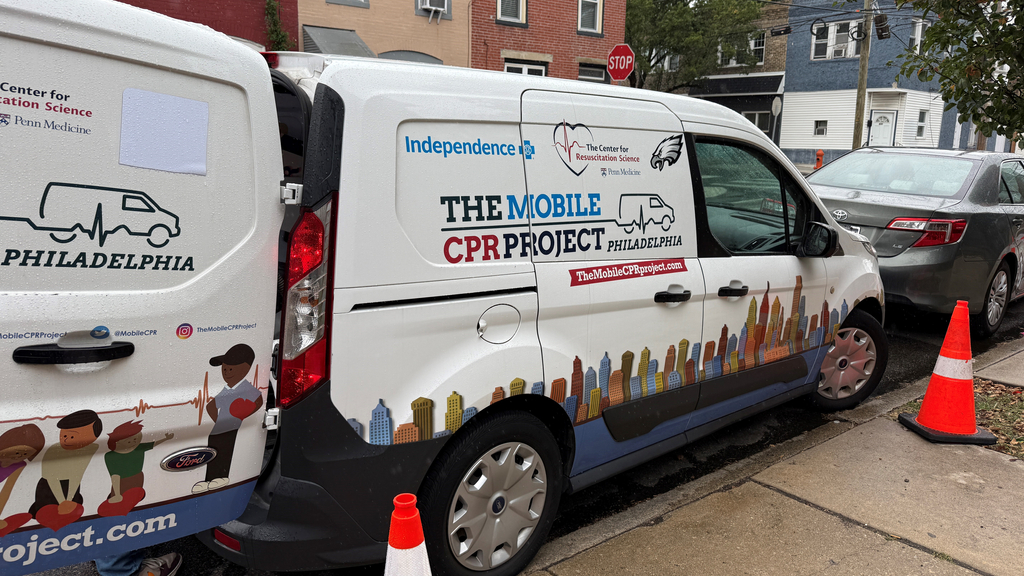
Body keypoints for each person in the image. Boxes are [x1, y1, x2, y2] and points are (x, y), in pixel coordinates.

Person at [192, 344, 262, 494]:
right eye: (224, 369)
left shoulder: (246, 389)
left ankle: (221, 477)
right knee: (213, 450)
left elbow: (258, 401)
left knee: (225, 450)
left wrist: (240, 416)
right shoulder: (227, 390)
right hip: (219, 428)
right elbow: (211, 406)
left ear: (245, 369)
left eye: (231, 369)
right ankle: (209, 479)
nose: (226, 373)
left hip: (231, 428)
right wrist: (220, 421)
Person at [0, 424, 45, 531]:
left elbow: (6, 491)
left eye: (25, 453)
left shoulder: (19, 465)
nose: (19, 456)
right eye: (16, 452)